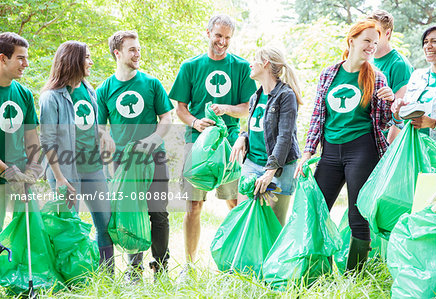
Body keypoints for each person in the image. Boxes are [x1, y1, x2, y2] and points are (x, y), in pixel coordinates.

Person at [294, 20, 395, 272]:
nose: (371, 46)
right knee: (317, 209)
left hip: (361, 150)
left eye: (375, 42)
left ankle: (355, 274)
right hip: (329, 151)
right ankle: (316, 269)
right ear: (351, 41)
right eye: (367, 40)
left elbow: (382, 122)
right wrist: (307, 152)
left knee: (357, 215)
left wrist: (389, 102)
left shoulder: (376, 76)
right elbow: (318, 114)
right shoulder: (329, 73)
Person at [169, 14, 256, 273]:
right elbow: (180, 109)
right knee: (193, 205)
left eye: (228, 38)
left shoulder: (240, 67)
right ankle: (189, 265)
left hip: (230, 144)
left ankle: (234, 262)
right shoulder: (190, 66)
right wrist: (196, 123)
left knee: (234, 203)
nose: (223, 42)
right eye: (218, 35)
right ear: (208, 33)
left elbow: (247, 109)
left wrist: (226, 109)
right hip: (196, 145)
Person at [96, 30, 173, 280]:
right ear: (117, 53)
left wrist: (151, 140)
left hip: (154, 158)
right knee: (130, 212)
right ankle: (134, 270)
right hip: (123, 162)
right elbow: (99, 126)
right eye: (132, 49)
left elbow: (166, 118)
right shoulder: (104, 89)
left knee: (158, 213)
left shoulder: (152, 83)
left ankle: (161, 268)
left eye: (138, 48)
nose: (137, 53)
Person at [39, 41, 114, 270]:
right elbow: (47, 141)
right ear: (74, 61)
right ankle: (72, 277)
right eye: (87, 57)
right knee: (69, 226)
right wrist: (60, 179)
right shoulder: (51, 97)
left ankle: (107, 274)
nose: (91, 62)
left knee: (105, 224)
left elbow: (89, 124)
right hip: (64, 172)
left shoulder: (88, 89)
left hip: (93, 167)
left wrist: (103, 134)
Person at [230, 46, 302, 226]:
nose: (250, 65)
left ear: (266, 63)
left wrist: (270, 172)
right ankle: (247, 255)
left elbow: (284, 137)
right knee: (244, 220)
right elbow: (259, 126)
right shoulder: (256, 96)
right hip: (252, 163)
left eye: (254, 60)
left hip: (280, 168)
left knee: (274, 224)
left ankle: (272, 256)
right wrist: (243, 136)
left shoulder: (286, 96)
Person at [0, 32, 41, 231]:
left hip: (21, 180)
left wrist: (32, 170)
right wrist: (8, 172)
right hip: (8, 175)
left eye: (27, 58)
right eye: (20, 58)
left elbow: (32, 139)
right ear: (2, 58)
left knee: (30, 236)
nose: (26, 64)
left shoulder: (24, 95)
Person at [391, 22, 436, 156]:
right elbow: (403, 123)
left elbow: (430, 123)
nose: (428, 46)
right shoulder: (417, 76)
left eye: (435, 41)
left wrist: (433, 123)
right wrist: (399, 111)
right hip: (416, 155)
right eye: (425, 42)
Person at [368, 10, 414, 144]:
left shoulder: (399, 64)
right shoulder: (366, 61)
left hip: (385, 142)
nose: (371, 36)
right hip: (366, 139)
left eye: (376, 32)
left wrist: (389, 146)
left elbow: (400, 110)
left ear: (387, 33)